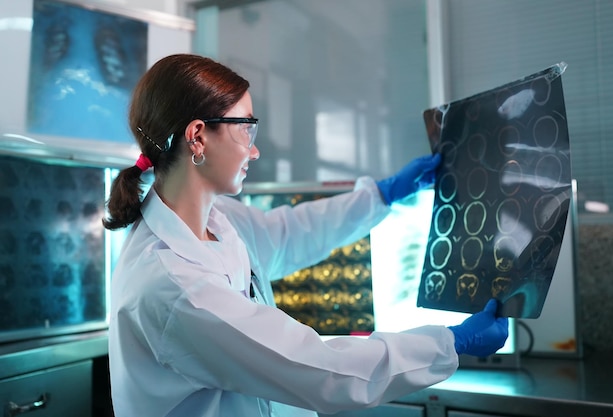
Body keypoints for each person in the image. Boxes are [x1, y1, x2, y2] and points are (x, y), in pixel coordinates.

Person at [103, 53, 508, 417]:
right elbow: (321, 369)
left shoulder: (217, 220)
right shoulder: (175, 287)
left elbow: (290, 233)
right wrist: (449, 344)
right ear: (197, 137)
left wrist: (381, 196)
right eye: (246, 129)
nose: (254, 150)